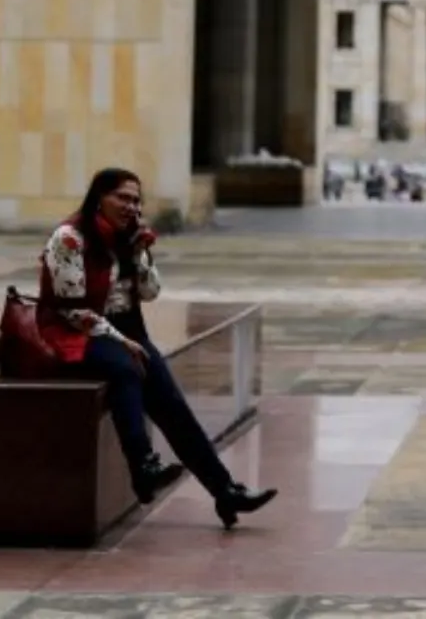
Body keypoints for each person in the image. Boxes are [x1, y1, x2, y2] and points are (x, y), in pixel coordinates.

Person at [38, 167, 278, 527]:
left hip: (125, 329)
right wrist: (121, 342)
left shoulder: (129, 238)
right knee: (124, 368)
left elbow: (150, 293)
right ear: (99, 197)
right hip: (73, 331)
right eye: (122, 197)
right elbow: (71, 308)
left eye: (136, 200)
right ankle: (143, 465)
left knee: (172, 406)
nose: (130, 207)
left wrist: (140, 254)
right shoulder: (70, 237)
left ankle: (225, 492)